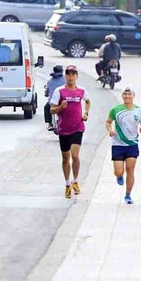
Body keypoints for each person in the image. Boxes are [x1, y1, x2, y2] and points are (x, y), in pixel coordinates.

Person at [50, 65, 90, 199]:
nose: (70, 76)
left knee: (75, 155)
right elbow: (52, 110)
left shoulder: (82, 91)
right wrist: (61, 106)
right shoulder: (59, 91)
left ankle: (76, 181)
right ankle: (67, 184)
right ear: (65, 76)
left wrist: (85, 113)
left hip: (77, 127)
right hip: (63, 129)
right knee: (65, 158)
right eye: (68, 74)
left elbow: (88, 101)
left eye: (73, 74)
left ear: (77, 76)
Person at [105, 87, 141, 204]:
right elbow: (108, 121)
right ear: (122, 96)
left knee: (130, 169)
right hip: (118, 144)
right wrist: (110, 130)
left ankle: (128, 195)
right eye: (125, 95)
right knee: (119, 171)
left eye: (129, 95)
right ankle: (119, 176)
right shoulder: (116, 110)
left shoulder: (138, 111)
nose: (127, 97)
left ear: (133, 96)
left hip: (132, 144)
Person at [44, 65, 65, 131]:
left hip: (52, 102)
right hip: (64, 101)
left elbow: (47, 93)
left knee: (46, 107)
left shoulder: (50, 81)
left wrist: (46, 94)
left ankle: (50, 124)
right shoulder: (66, 80)